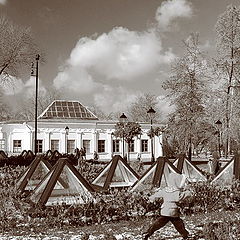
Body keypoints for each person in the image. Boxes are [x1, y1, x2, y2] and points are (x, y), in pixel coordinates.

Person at [143, 173, 192, 240]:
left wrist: (151, 198)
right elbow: (180, 197)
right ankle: (185, 235)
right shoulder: (176, 192)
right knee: (179, 225)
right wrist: (188, 192)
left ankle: (148, 233)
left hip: (165, 211)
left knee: (158, 224)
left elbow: (157, 194)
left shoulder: (165, 190)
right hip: (173, 212)